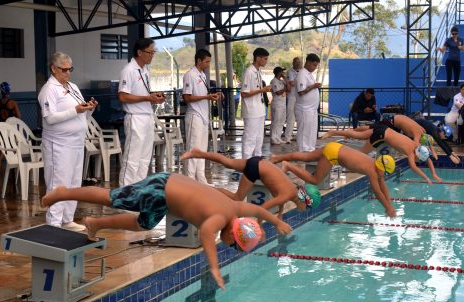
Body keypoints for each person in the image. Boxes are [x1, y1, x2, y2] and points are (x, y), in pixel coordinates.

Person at [41, 172, 293, 289]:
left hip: (168, 192)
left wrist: (277, 221)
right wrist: (215, 268)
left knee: (144, 224)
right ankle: (64, 192)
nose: (228, 246)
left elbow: (257, 210)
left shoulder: (234, 210)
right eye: (233, 246)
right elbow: (206, 235)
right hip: (161, 187)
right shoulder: (219, 219)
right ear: (233, 235)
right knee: (112, 197)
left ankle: (95, 224)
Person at [39, 52, 97, 230]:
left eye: (69, 69)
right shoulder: (49, 89)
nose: (67, 73)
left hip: (76, 141)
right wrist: (76, 111)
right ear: (53, 69)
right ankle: (54, 223)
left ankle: (67, 219)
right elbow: (50, 118)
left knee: (73, 182)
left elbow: (82, 112)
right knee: (59, 182)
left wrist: (89, 108)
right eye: (63, 70)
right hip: (59, 143)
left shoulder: (72, 86)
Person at [269, 142, 396, 218]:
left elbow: (382, 185)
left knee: (306, 157)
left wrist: (389, 205)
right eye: (385, 171)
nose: (384, 174)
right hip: (333, 155)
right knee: (315, 180)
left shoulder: (374, 164)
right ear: (381, 167)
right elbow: (378, 192)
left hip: (335, 146)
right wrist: (387, 208)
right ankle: (288, 165)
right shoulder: (372, 171)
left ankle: (277, 158)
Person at [180, 148, 320, 216]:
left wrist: (280, 216)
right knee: (237, 198)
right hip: (255, 170)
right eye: (307, 207)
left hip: (259, 162)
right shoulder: (288, 194)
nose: (305, 210)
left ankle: (197, 153)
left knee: (227, 162)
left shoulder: (292, 190)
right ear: (304, 200)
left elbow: (281, 200)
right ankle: (201, 189)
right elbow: (263, 209)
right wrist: (261, 227)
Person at [118, 38, 165, 186]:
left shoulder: (144, 70)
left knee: (144, 159)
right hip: (135, 117)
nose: (152, 55)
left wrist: (153, 97)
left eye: (153, 52)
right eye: (149, 52)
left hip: (147, 116)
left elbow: (143, 94)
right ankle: (125, 194)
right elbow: (122, 96)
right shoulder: (128, 70)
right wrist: (146, 97)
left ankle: (138, 192)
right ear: (139, 52)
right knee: (132, 159)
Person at [324, 125, 436, 183]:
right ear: (417, 156)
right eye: (420, 160)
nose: (418, 161)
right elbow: (414, 167)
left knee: (359, 135)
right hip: (381, 136)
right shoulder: (411, 154)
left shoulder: (415, 144)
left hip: (384, 129)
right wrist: (426, 177)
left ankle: (334, 132)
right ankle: (343, 157)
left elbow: (426, 156)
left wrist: (434, 173)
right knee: (362, 153)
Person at [182, 49, 220, 184]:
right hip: (194, 115)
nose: (208, 64)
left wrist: (212, 97)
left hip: (204, 115)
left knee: (202, 149)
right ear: (198, 60)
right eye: (206, 61)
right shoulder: (189, 75)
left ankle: (201, 178)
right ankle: (190, 180)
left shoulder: (202, 75)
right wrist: (206, 96)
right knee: (193, 148)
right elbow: (187, 97)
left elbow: (203, 96)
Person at [240, 48, 271, 159]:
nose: (266, 61)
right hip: (251, 110)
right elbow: (244, 93)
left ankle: (257, 159)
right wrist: (262, 90)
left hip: (259, 109)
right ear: (258, 58)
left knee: (259, 137)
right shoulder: (249, 72)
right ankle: (246, 161)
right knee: (250, 137)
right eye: (265, 58)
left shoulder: (258, 71)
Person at [294, 54, 322, 152]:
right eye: (314, 65)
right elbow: (301, 91)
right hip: (304, 109)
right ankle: (303, 151)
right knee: (304, 132)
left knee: (311, 131)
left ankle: (310, 149)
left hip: (312, 109)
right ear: (308, 62)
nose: (314, 68)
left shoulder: (309, 74)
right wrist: (313, 86)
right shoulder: (302, 73)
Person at [284, 57, 302, 142]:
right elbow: (291, 83)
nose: (298, 64)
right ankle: (288, 137)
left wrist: (296, 81)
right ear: (293, 63)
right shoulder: (290, 72)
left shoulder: (302, 71)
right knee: (291, 117)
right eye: (296, 62)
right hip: (292, 97)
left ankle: (299, 136)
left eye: (299, 62)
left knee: (301, 117)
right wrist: (299, 80)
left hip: (301, 97)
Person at [269, 67, 287, 145]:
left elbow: (289, 87)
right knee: (275, 121)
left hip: (283, 104)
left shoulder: (282, 81)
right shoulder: (274, 81)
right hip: (277, 104)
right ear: (279, 72)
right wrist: (285, 88)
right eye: (282, 72)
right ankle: (273, 137)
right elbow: (278, 92)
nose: (283, 73)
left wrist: (286, 79)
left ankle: (278, 137)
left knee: (281, 121)